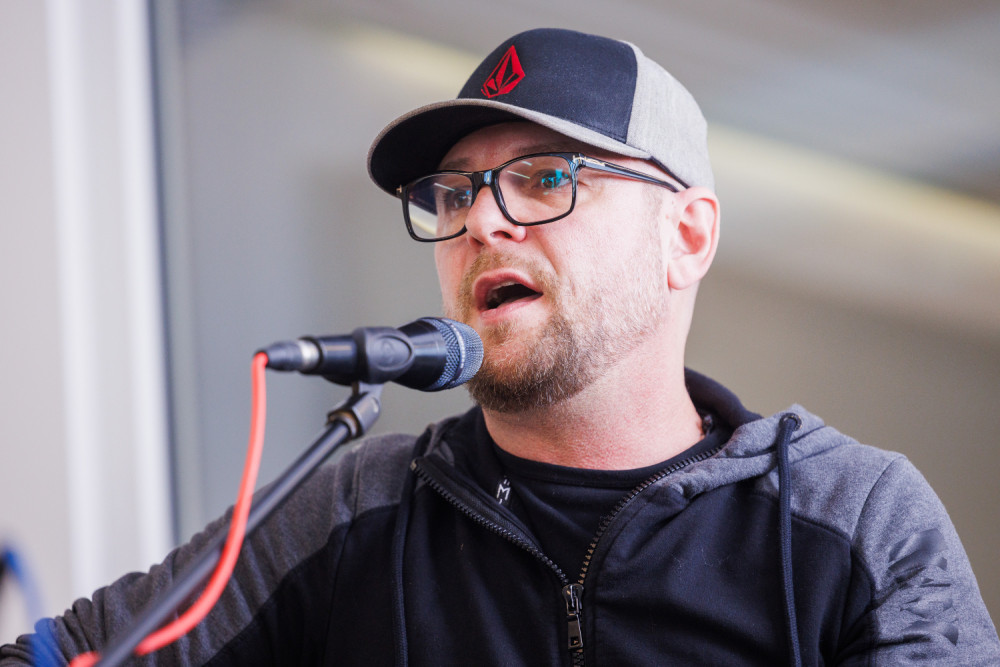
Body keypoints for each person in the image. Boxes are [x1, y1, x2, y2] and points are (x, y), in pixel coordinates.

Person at [3, 27, 998, 667]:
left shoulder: (852, 516)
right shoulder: (353, 508)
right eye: (452, 193)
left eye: (546, 176)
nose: (482, 221)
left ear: (687, 235)